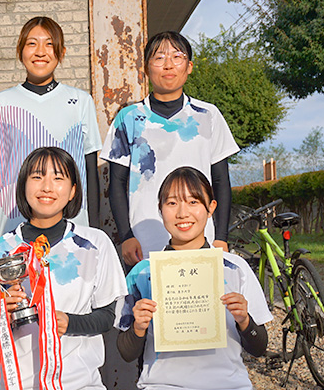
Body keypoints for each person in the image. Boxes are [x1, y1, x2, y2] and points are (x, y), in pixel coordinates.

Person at [0, 147, 127, 390]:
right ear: (23, 186)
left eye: (58, 178)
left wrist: (67, 322)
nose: (47, 186)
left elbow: (107, 316)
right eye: (37, 176)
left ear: (74, 190)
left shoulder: (94, 243)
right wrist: (1, 310)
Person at [115, 167, 272, 390]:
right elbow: (125, 351)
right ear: (160, 210)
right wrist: (138, 326)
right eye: (172, 203)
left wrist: (244, 320)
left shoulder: (234, 267)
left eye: (193, 201)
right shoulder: (144, 273)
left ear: (210, 208)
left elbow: (260, 346)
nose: (182, 212)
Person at [101, 30, 239, 266]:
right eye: (159, 58)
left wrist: (222, 237)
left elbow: (220, 180)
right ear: (146, 68)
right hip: (145, 242)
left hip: (201, 239)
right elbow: (116, 184)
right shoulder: (128, 118)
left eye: (177, 57)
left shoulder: (209, 116)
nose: (168, 65)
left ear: (189, 66)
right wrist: (126, 236)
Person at [0, 16, 102, 254]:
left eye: (49, 44)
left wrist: (93, 228)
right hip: (11, 222)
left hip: (72, 227)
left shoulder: (81, 102)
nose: (40, 52)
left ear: (61, 52)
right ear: (20, 51)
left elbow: (90, 171)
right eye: (32, 44)